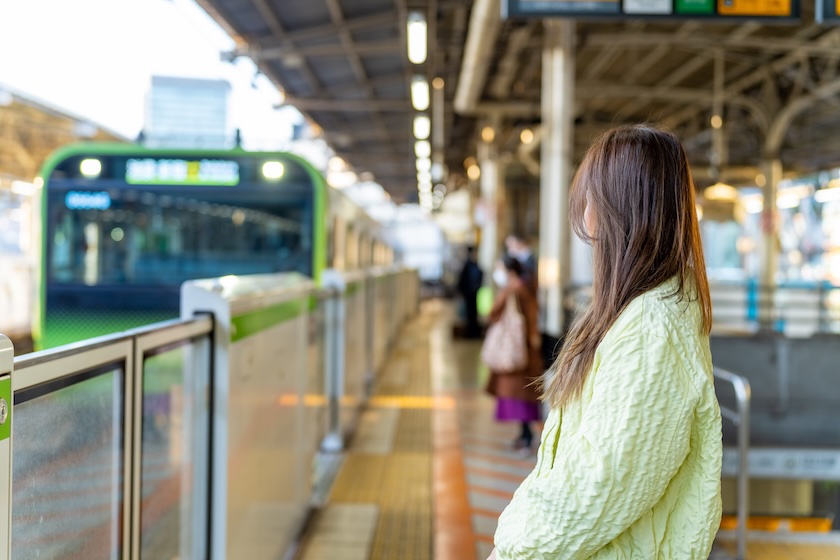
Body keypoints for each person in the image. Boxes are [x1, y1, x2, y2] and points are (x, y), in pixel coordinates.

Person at [488, 125, 722, 559]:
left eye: (593, 196)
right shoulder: (640, 313)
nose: (586, 214)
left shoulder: (651, 330)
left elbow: (599, 485)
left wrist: (512, 549)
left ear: (620, 207)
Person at [485, 255, 542, 453]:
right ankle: (524, 435)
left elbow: (492, 313)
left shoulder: (513, 290)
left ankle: (527, 437)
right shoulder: (524, 288)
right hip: (524, 352)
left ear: (509, 271)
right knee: (522, 397)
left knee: (519, 397)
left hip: (516, 355)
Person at [457, 246, 483, 337]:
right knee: (469, 313)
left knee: (474, 312)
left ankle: (474, 332)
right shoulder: (467, 266)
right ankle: (471, 332)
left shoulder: (476, 265)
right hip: (468, 294)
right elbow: (462, 281)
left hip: (474, 293)